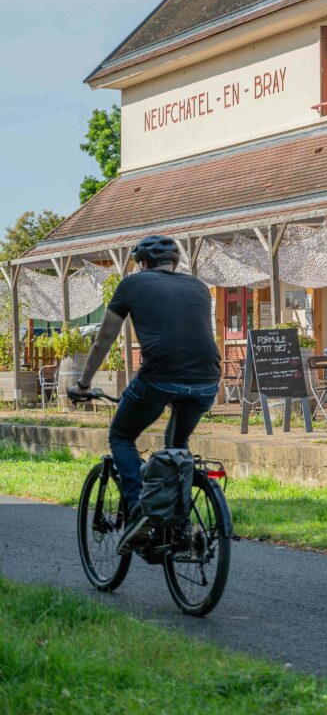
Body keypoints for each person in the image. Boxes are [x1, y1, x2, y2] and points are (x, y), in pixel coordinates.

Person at [68, 234, 221, 552]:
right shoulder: (198, 287)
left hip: (159, 377)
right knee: (177, 447)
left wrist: (83, 385)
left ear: (142, 263)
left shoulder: (132, 284)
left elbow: (104, 339)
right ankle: (181, 526)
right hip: (207, 379)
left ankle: (140, 511)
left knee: (121, 436)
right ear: (174, 262)